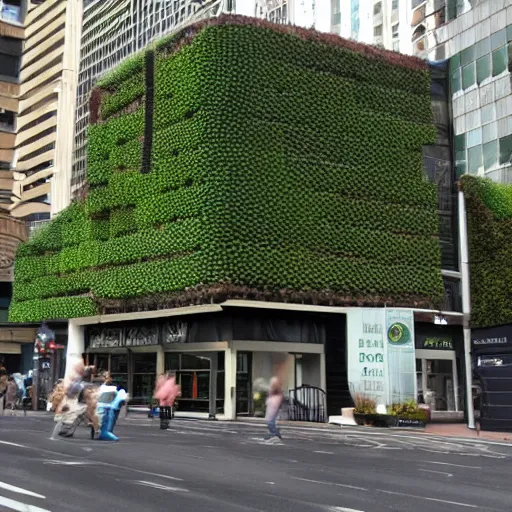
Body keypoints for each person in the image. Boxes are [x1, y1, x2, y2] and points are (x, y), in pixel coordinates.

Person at [264, 376, 284, 443]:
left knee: (271, 423)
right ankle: (275, 435)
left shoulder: (277, 393)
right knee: (270, 423)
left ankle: (275, 435)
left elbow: (275, 402)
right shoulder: (272, 392)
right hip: (271, 409)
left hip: (273, 409)